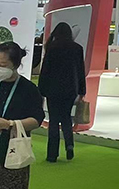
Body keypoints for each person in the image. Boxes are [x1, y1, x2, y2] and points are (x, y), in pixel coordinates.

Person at [0, 42, 44, 189]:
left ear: (15, 65)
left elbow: (36, 119)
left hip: (13, 150)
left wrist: (10, 124)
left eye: (3, 65)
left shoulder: (29, 89)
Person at [38, 22, 86, 162]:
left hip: (53, 89)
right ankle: (69, 145)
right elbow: (80, 71)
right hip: (70, 89)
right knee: (66, 118)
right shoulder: (77, 48)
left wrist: (41, 89)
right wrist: (82, 90)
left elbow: (45, 70)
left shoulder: (51, 47)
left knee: (53, 121)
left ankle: (52, 154)